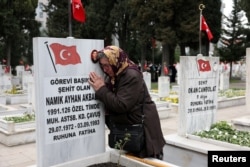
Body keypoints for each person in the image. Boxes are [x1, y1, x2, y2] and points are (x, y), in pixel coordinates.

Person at [88, 45, 166, 159]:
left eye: (107, 65)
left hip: (144, 132)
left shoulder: (131, 75)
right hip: (130, 129)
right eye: (102, 65)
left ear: (116, 61)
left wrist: (101, 89)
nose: (105, 69)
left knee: (147, 160)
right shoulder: (116, 74)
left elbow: (121, 105)